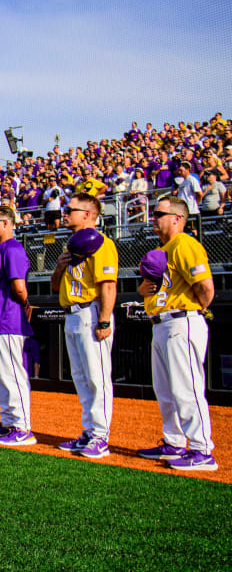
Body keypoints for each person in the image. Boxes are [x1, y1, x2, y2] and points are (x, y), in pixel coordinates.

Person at [137, 196, 218, 471]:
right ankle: (174, 442)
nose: (153, 218)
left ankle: (201, 449)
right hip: (161, 323)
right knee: (166, 391)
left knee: (187, 388)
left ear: (177, 218)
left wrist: (195, 310)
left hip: (181, 320)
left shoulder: (184, 244)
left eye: (159, 213)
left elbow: (205, 287)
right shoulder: (163, 249)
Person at [51, 193, 117, 458]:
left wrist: (104, 320)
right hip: (71, 312)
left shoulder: (101, 243)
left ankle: (101, 435)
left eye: (71, 210)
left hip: (91, 312)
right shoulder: (70, 247)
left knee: (96, 377)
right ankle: (89, 432)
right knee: (80, 377)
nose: (65, 214)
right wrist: (58, 267)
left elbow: (108, 285)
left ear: (87, 214)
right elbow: (56, 286)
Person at [0, 206, 36, 446]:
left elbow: (19, 287)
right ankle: (8, 422)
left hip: (8, 318)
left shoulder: (13, 248)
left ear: (8, 223)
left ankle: (22, 427)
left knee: (12, 375)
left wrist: (26, 304)